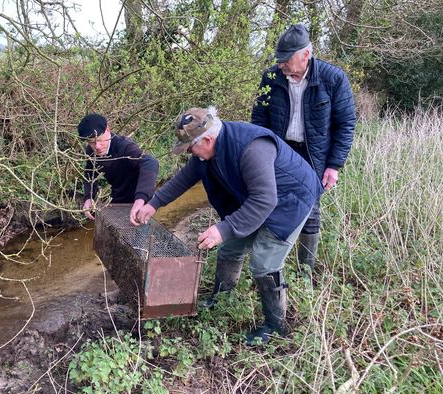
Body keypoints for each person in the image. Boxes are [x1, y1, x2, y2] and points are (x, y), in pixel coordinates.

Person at [133, 107, 323, 344]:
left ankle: (276, 326)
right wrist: (154, 204)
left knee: (263, 262)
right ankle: (221, 299)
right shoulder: (205, 152)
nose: (189, 153)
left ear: (208, 139)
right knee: (230, 247)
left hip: (290, 200)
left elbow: (265, 200)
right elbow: (185, 178)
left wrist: (221, 229)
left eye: (191, 147)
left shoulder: (252, 148)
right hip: (259, 197)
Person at [251, 24, 356, 271]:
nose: (281, 65)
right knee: (271, 203)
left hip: (314, 155)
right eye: (278, 59)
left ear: (306, 54)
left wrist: (334, 165)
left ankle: (305, 272)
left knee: (311, 210)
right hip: (280, 152)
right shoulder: (271, 78)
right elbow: (259, 119)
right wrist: (260, 154)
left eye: (286, 59)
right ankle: (269, 267)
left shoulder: (333, 79)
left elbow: (345, 123)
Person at [78, 113, 159, 222]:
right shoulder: (91, 152)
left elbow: (150, 162)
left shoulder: (124, 147)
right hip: (117, 199)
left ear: (107, 130)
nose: (97, 146)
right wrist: (88, 198)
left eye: (100, 139)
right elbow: (90, 173)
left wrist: (140, 200)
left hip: (140, 199)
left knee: (139, 236)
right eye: (91, 142)